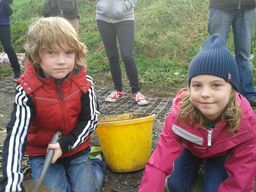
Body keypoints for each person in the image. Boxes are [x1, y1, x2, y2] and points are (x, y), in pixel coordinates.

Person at [0, 17, 106, 192]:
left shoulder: (84, 83)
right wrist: (11, 183)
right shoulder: (27, 90)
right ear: (36, 55)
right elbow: (15, 137)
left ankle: (96, 163)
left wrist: (65, 144)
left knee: (85, 189)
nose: (61, 61)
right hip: (43, 154)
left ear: (76, 53)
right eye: (51, 53)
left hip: (76, 148)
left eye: (68, 53)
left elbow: (91, 119)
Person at [139, 34, 256, 192]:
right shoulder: (179, 114)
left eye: (216, 85)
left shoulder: (246, 121)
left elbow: (242, 175)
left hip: (221, 153)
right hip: (191, 149)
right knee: (175, 186)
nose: (205, 93)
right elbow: (159, 162)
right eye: (197, 85)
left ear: (232, 90)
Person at [93, 0, 149, 106]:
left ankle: (136, 92)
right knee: (112, 56)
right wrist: (100, 4)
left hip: (125, 18)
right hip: (103, 18)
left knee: (127, 56)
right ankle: (118, 90)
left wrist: (124, 6)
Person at [208, 0, 256, 107]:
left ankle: (247, 93)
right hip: (221, 6)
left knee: (244, 54)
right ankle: (214, 91)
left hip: (248, 7)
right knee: (215, 52)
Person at [0, 0, 21, 81]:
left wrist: (5, 3)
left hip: (4, 25)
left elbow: (10, 12)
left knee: (8, 48)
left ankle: (17, 71)